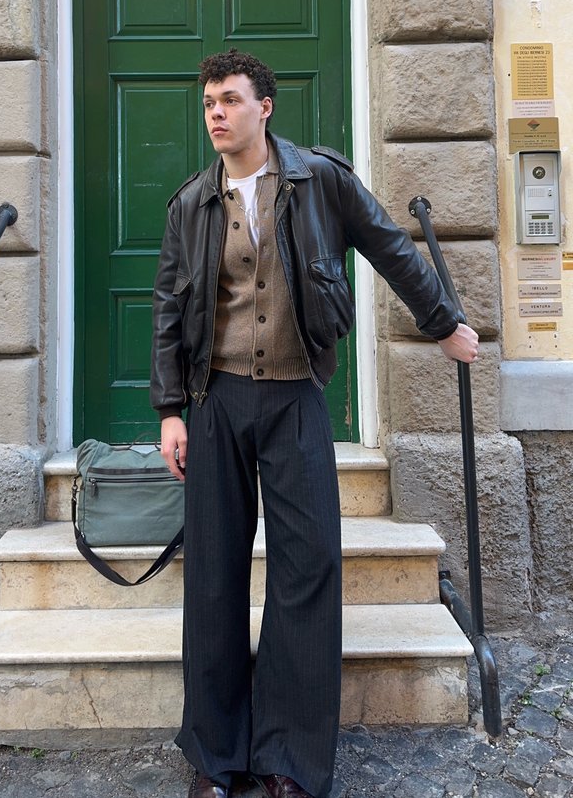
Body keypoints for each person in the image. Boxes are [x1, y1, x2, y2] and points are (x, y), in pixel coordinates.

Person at [151, 48, 478, 798]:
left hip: (296, 397)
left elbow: (390, 245)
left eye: (230, 100)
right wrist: (170, 410)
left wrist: (442, 320)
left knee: (308, 571)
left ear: (265, 106)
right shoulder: (190, 204)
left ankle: (288, 759)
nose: (217, 114)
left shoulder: (318, 179)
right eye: (208, 104)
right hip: (216, 400)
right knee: (213, 579)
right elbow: (169, 307)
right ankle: (216, 754)